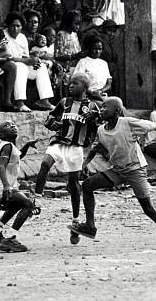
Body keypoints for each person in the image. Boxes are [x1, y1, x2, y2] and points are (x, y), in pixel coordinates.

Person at [69, 97, 156, 248]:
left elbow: (154, 126)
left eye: (106, 107)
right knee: (87, 185)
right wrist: (84, 164)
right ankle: (90, 227)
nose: (102, 110)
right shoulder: (101, 130)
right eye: (102, 107)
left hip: (135, 170)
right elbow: (96, 148)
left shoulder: (126, 123)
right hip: (118, 170)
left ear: (117, 111)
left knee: (148, 208)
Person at [34, 73, 100, 245]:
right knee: (44, 165)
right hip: (58, 143)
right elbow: (49, 118)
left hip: (76, 148)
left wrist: (93, 120)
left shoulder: (92, 107)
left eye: (75, 83)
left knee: (73, 184)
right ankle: (36, 200)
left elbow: (97, 129)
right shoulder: (64, 102)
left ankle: (76, 221)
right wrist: (52, 124)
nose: (71, 86)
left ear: (84, 88)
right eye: (70, 83)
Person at [0, 121, 39, 253]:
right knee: (28, 204)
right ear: (2, 134)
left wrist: (27, 145)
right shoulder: (7, 146)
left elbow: (18, 157)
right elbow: (2, 165)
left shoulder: (8, 147)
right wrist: (7, 186)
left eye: (14, 124)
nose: (13, 126)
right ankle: (10, 238)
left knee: (16, 205)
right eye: (8, 126)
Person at [0, 12, 54, 112]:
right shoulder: (3, 35)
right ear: (8, 25)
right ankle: (19, 102)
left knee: (41, 66)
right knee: (21, 66)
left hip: (22, 63)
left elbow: (25, 55)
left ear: (21, 27)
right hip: (7, 65)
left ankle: (44, 101)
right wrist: (26, 61)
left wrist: (34, 61)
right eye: (12, 26)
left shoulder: (22, 37)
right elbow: (7, 56)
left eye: (18, 26)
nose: (15, 29)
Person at [54, 10, 85, 99]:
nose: (78, 26)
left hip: (76, 65)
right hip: (65, 66)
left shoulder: (75, 35)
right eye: (76, 24)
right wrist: (74, 56)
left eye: (79, 24)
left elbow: (77, 51)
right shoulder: (61, 34)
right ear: (68, 22)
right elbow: (57, 56)